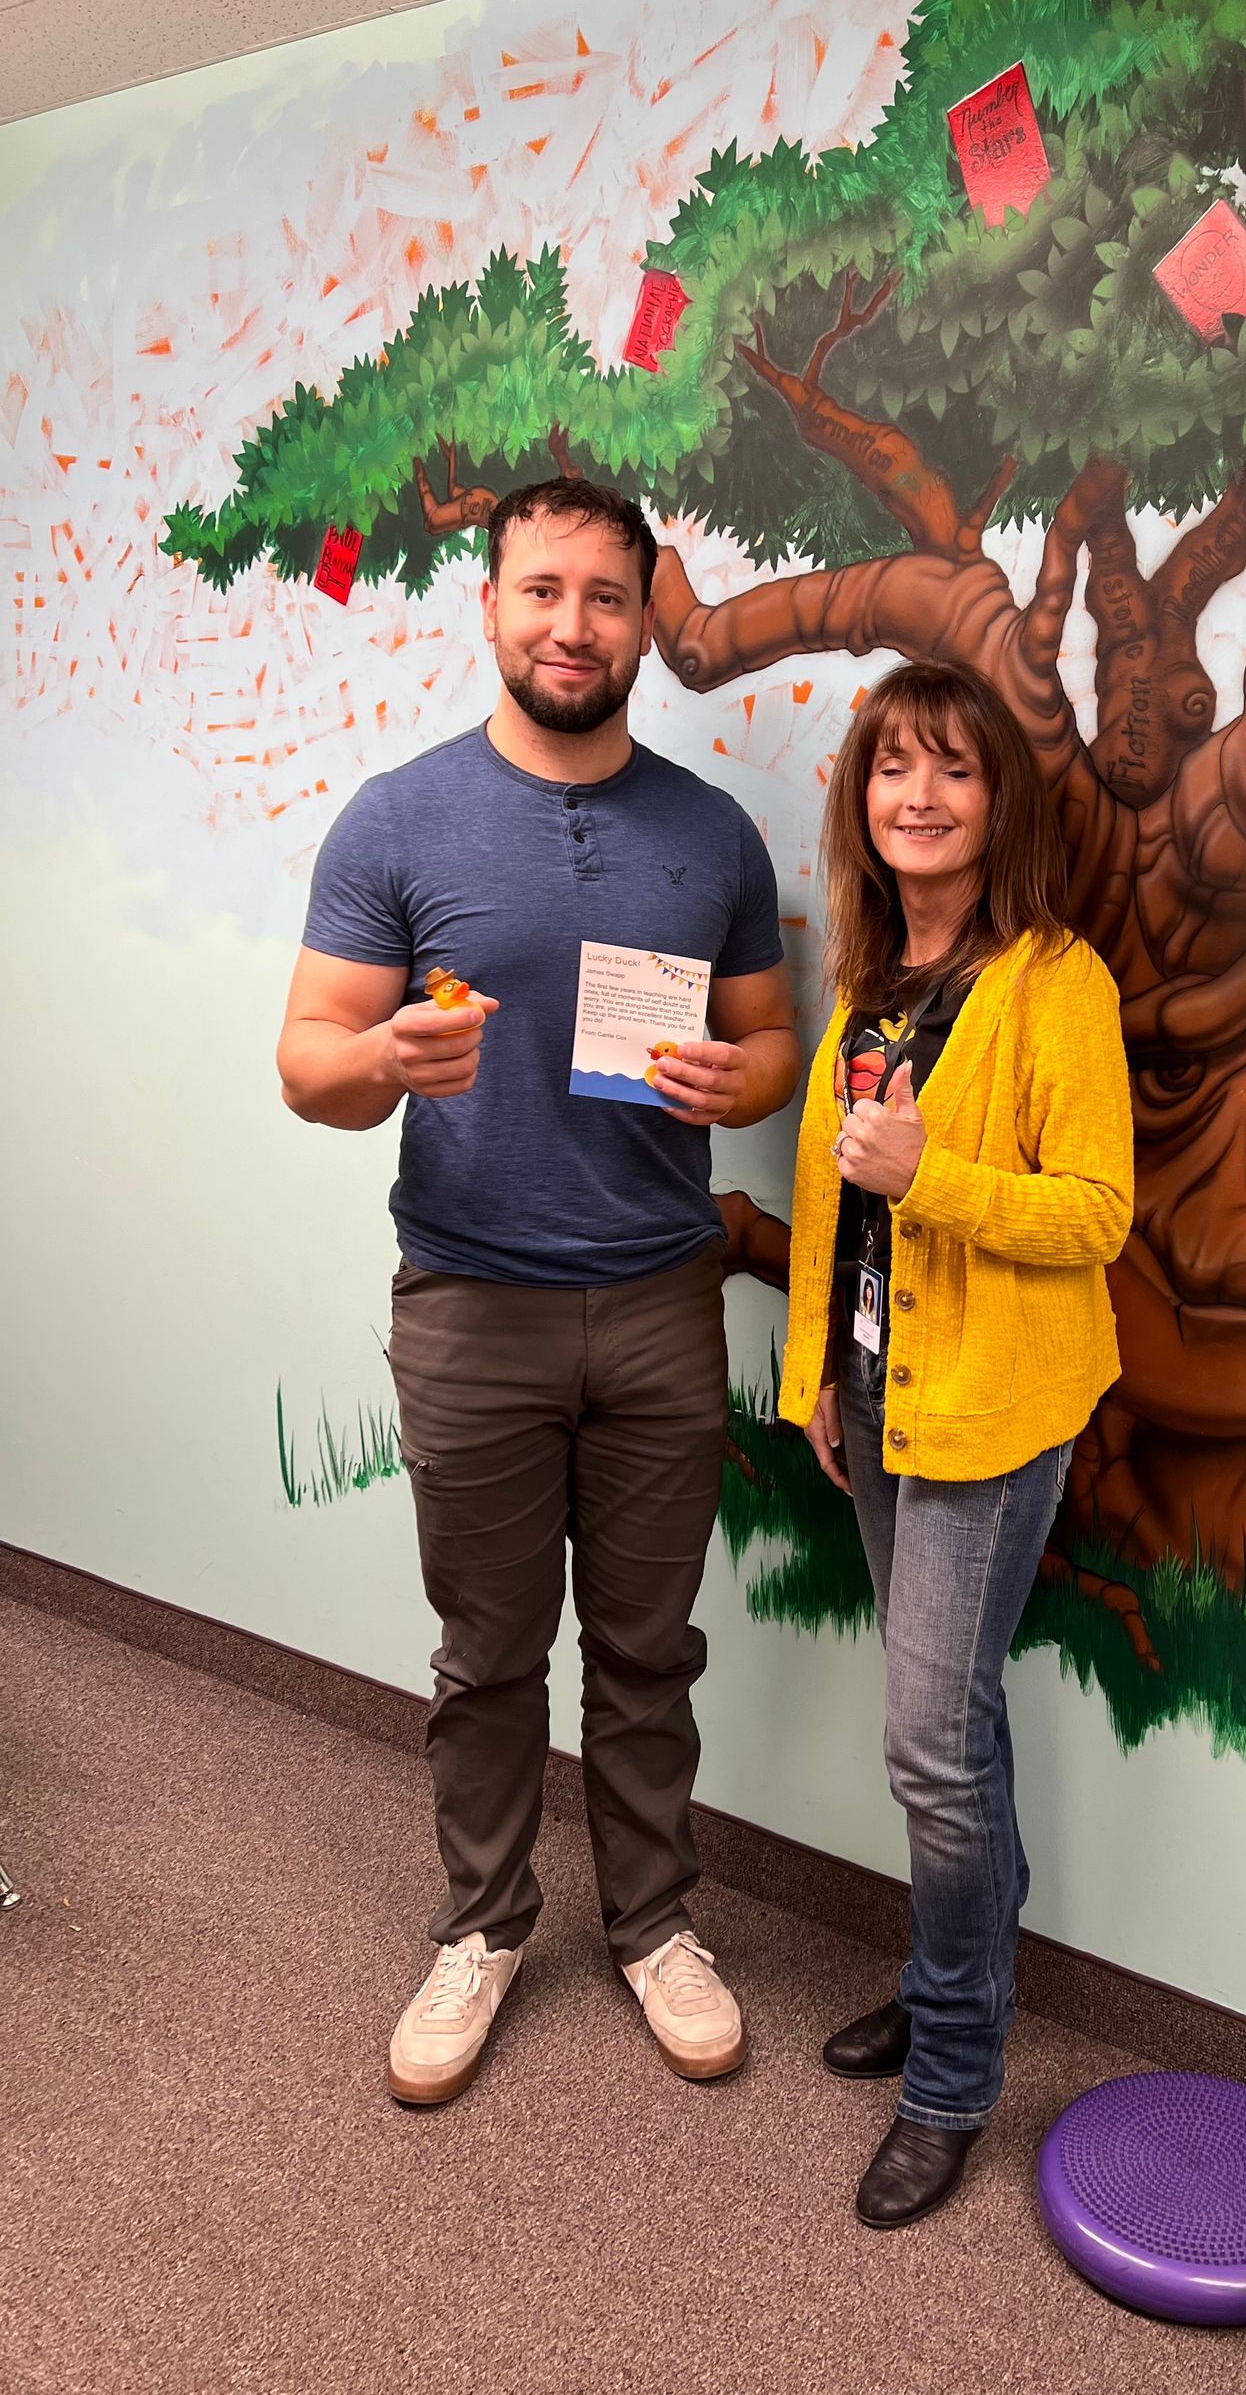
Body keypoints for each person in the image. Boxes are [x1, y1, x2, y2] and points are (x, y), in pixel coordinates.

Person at [276, 477, 798, 2104]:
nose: (573, 624)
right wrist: (379, 1057)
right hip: (472, 1306)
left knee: (649, 1653)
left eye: (607, 596)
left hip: (659, 1302)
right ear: (490, 606)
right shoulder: (395, 819)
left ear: (645, 620)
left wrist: (742, 1085)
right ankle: (485, 1928)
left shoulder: (712, 832)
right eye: (542, 590)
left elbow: (776, 1043)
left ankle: (652, 1925)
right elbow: (306, 1067)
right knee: (489, 1656)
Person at [779, 661, 1133, 2228]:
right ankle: (947, 1980)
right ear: (863, 802)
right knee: (949, 1731)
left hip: (993, 1409)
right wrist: (812, 1378)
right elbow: (826, 1209)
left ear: (1000, 802)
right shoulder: (867, 984)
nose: (918, 798)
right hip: (878, 1396)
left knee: (931, 1742)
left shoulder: (1056, 984)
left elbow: (1097, 1217)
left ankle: (955, 2070)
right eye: (891, 771)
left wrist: (941, 1180)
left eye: (954, 772)